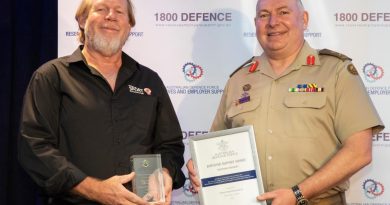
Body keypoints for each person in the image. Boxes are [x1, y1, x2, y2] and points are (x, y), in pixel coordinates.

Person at [187, 0, 384, 204]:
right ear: (256, 23)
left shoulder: (336, 72)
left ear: (304, 19)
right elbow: (215, 148)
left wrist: (298, 194)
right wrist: (201, 165)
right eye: (264, 15)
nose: (273, 22)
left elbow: (359, 152)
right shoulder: (238, 80)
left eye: (283, 12)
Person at [18, 0, 185, 204]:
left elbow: (170, 145)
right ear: (82, 20)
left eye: (119, 12)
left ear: (129, 25)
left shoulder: (149, 81)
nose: (111, 16)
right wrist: (94, 189)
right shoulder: (51, 77)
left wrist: (165, 173)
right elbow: (35, 147)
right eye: (101, 9)